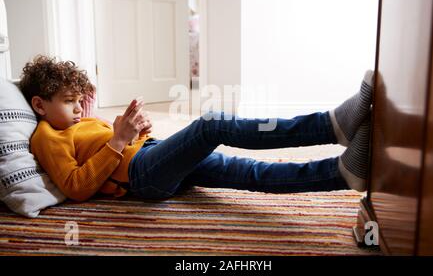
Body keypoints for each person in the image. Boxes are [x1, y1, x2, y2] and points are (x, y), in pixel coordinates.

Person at [20, 55, 373, 202]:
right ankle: (329, 127)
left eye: (81, 99)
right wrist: (118, 140)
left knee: (244, 170)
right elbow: (76, 187)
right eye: (70, 101)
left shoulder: (78, 121)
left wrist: (138, 131)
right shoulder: (47, 136)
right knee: (211, 125)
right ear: (39, 105)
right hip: (142, 177)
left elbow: (120, 146)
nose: (80, 107)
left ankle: (340, 174)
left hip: (149, 156)